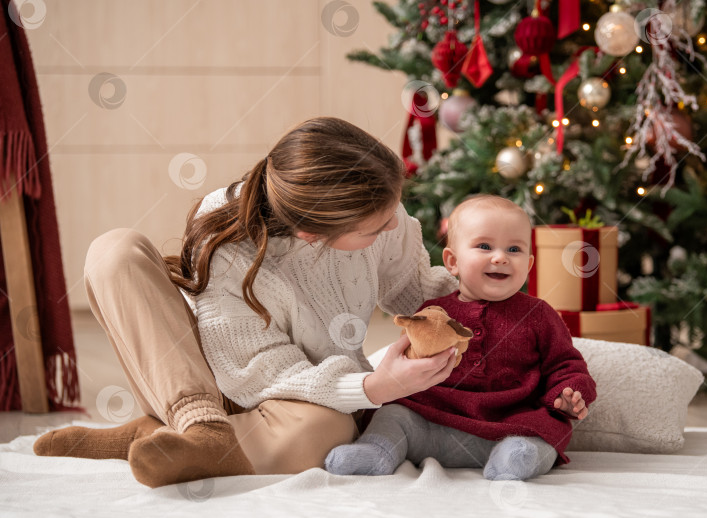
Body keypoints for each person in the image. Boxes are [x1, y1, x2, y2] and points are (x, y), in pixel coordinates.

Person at [33, 117, 460, 488]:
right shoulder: (229, 239)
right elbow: (260, 375)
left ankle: (156, 438)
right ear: (311, 235)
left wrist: (483, 296)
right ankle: (199, 427)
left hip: (295, 399)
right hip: (224, 380)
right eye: (375, 229)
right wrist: (374, 387)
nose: (393, 226)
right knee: (114, 251)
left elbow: (416, 290)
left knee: (327, 427)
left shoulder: (382, 210)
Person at [325, 195, 597, 481]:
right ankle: (378, 450)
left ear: (528, 265)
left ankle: (515, 460)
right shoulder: (434, 312)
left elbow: (566, 364)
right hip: (432, 424)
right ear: (452, 261)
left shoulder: (539, 315)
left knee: (549, 430)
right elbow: (409, 359)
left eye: (514, 249)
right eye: (484, 246)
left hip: (510, 425)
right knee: (393, 415)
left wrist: (568, 393)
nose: (500, 257)